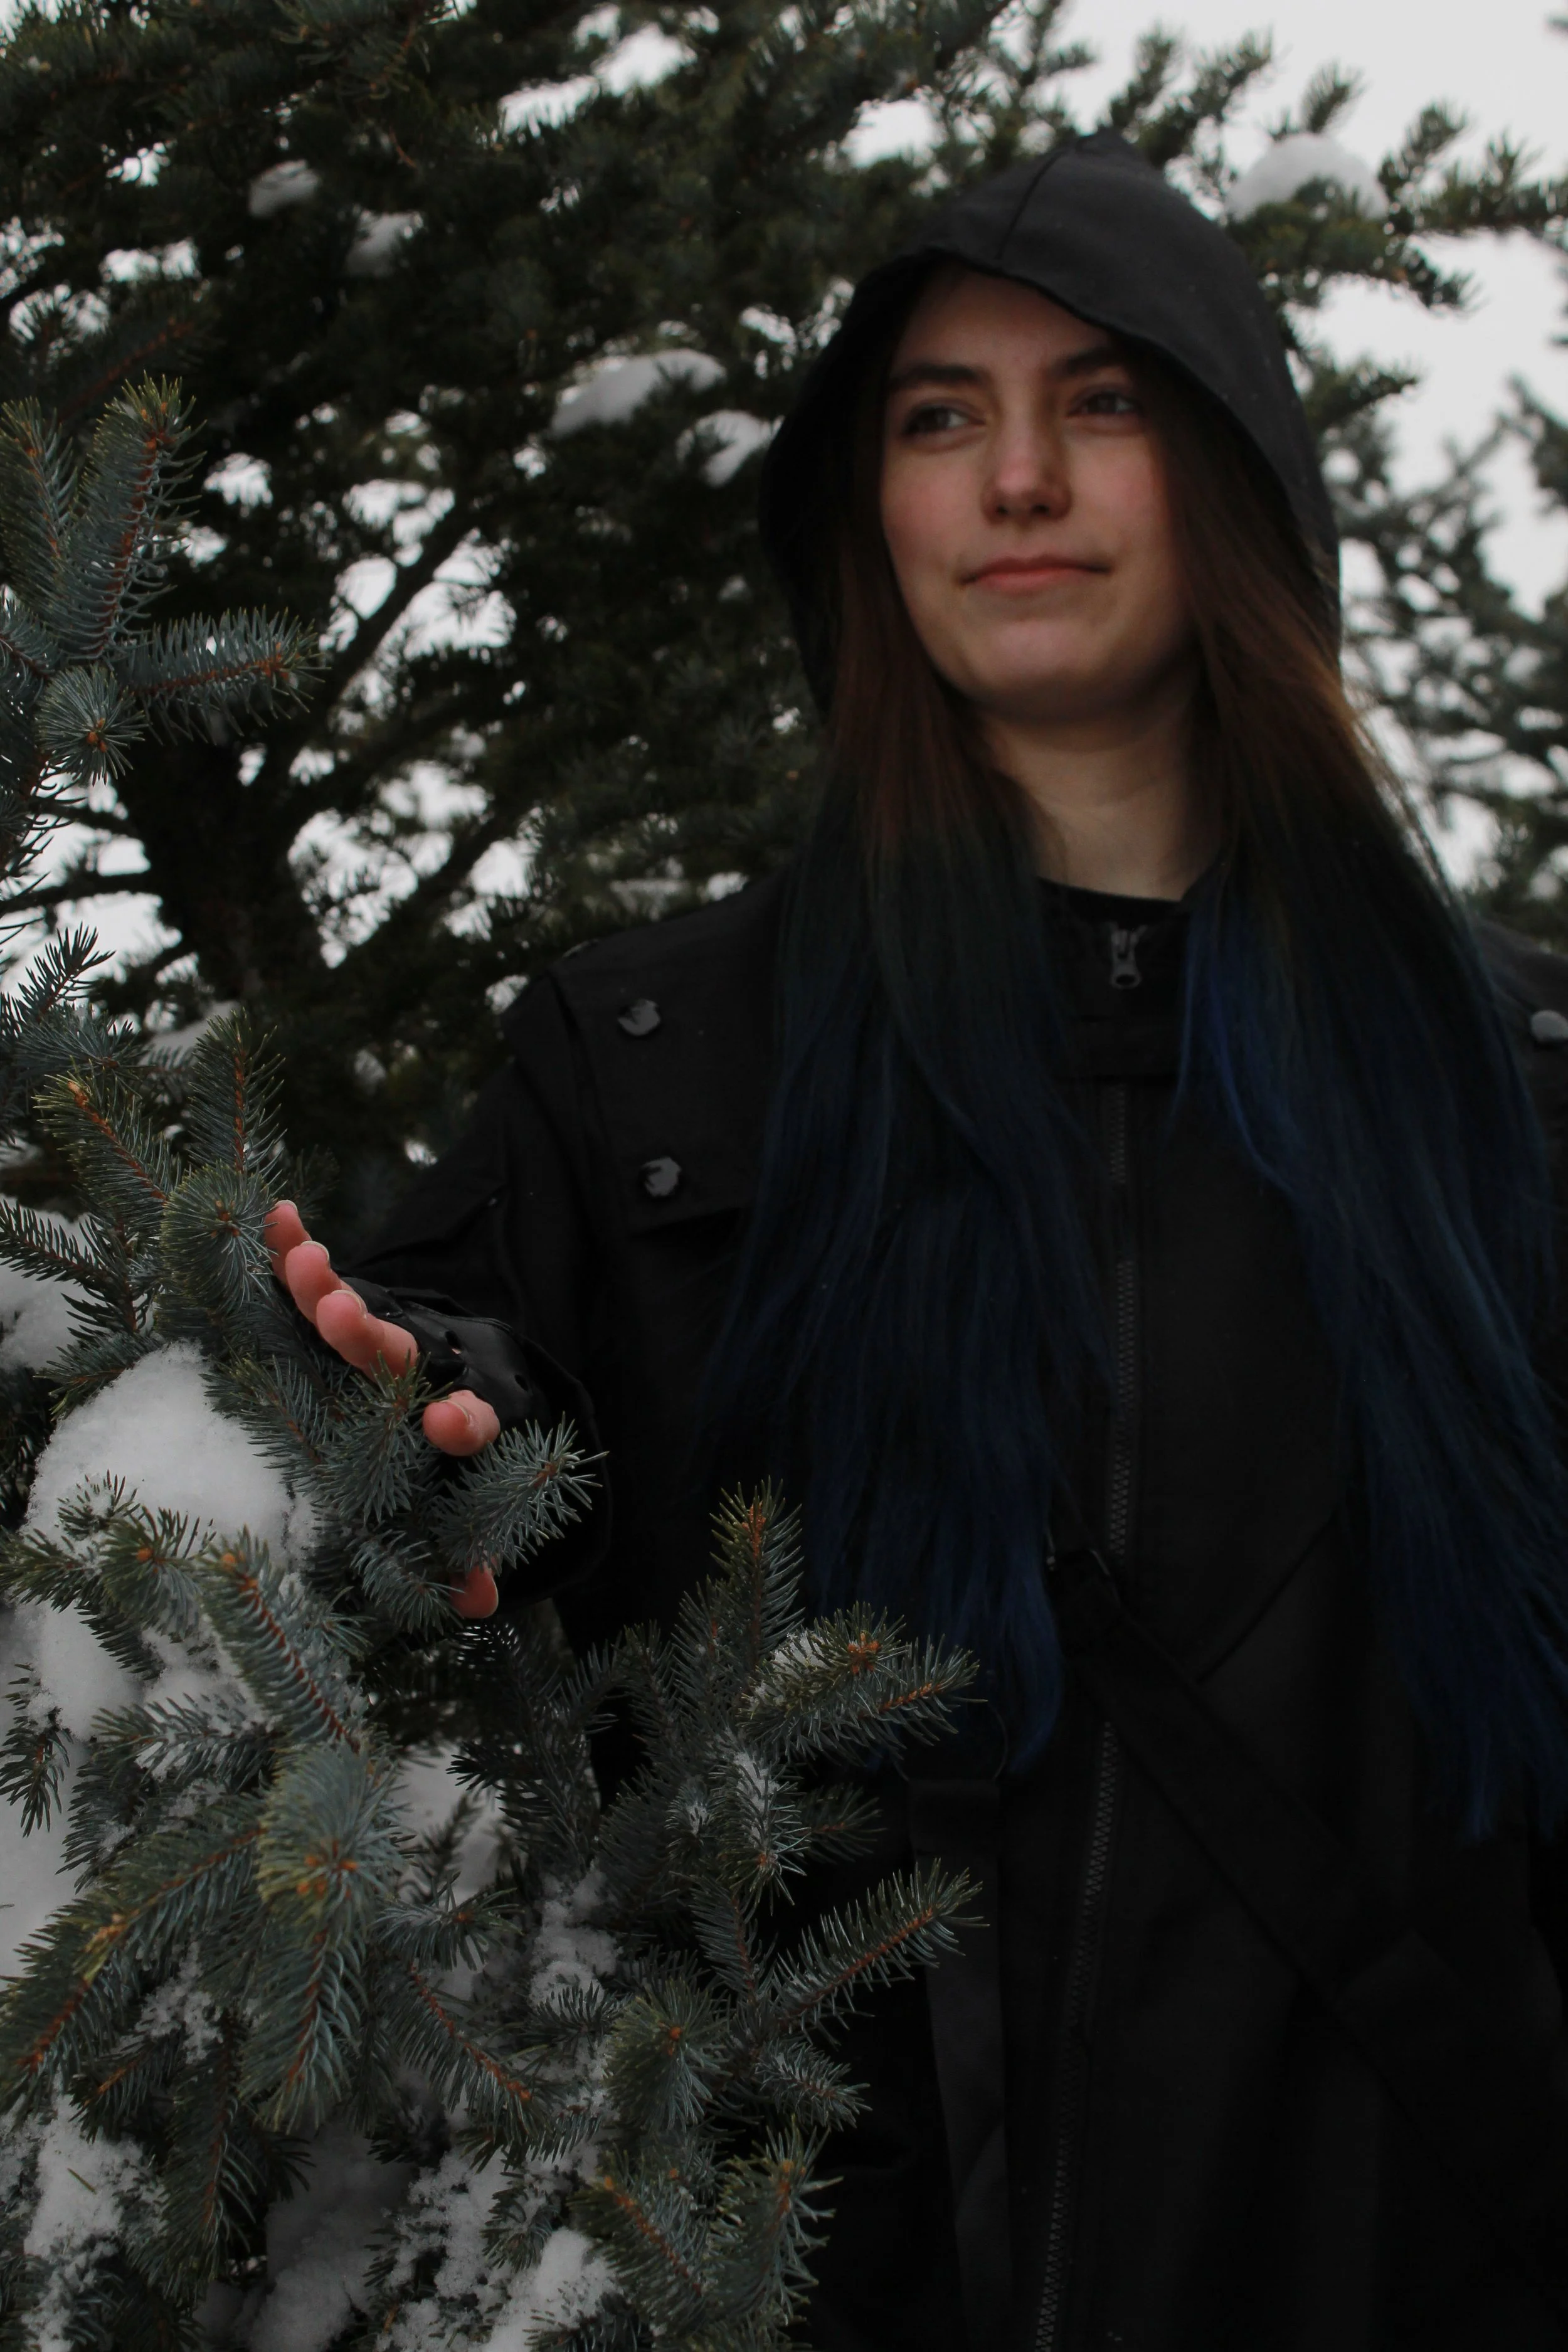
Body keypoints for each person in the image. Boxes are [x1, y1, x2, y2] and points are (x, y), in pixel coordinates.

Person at [263, 132, 1568, 2352]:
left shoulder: (1513, 1081)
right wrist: (429, 1414)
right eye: (939, 418)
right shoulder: (662, 1056)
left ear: (1234, 472)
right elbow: (473, 1365)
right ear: (868, 515)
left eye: (1105, 403)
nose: (1018, 480)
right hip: (818, 2284)